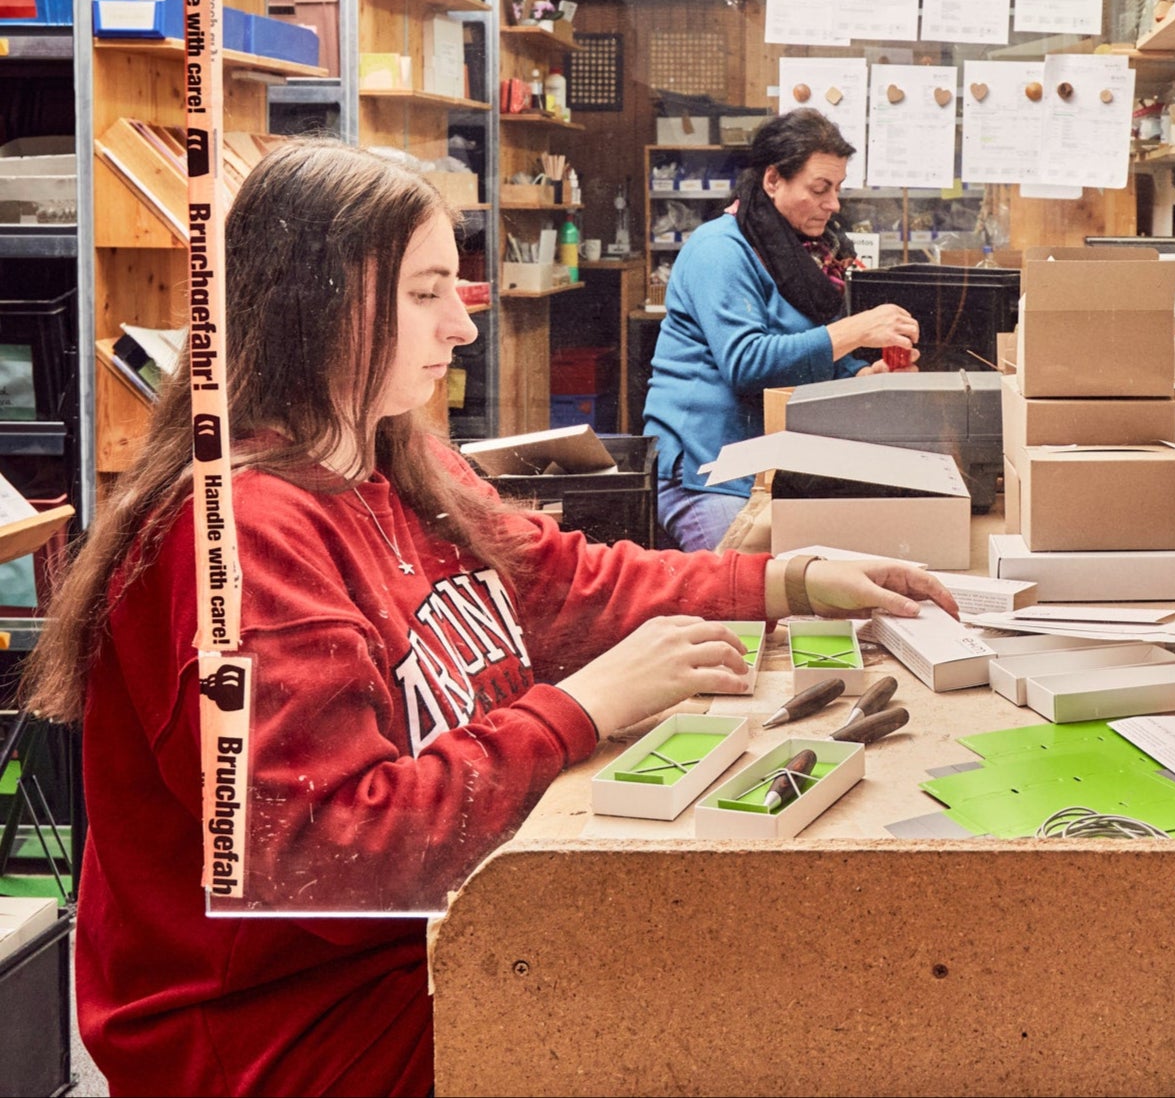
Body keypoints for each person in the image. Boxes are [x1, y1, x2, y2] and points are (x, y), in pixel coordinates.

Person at [19, 141, 952, 1097]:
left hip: (431, 940)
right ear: (317, 302)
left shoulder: (401, 463)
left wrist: (788, 579)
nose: (461, 328)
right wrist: (580, 709)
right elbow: (331, 860)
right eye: (425, 293)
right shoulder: (242, 539)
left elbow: (564, 585)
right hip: (287, 1029)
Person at [643, 109, 920, 551]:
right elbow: (748, 364)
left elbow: (819, 360)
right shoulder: (720, 250)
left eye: (837, 189)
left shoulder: (808, 259)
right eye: (819, 189)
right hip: (707, 472)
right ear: (773, 181)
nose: (834, 204)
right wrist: (857, 329)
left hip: (772, 464)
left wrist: (863, 380)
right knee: (749, 591)